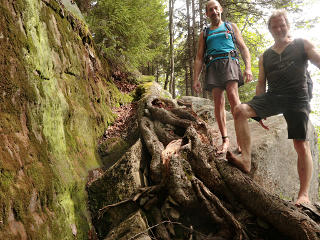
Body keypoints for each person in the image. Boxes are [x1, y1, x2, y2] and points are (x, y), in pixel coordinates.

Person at [226, 9, 320, 206]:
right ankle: (245, 160)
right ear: (270, 29)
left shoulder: (302, 44)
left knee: (300, 144)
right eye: (274, 26)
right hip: (274, 96)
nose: (279, 28)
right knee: (240, 110)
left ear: (288, 25)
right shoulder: (265, 56)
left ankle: (304, 195)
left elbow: (317, 59)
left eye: (282, 24)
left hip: (297, 98)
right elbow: (261, 83)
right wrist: (258, 111)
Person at [193, 0, 253, 154]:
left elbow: (243, 47)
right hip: (213, 65)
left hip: (230, 61)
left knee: (233, 96)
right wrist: (195, 79)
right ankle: (225, 140)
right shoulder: (205, 33)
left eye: (215, 8)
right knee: (218, 102)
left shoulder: (230, 27)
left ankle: (241, 139)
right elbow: (199, 57)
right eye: (210, 10)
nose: (214, 12)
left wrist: (248, 68)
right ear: (207, 14)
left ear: (220, 9)